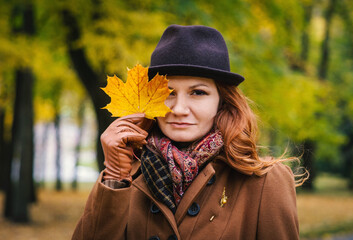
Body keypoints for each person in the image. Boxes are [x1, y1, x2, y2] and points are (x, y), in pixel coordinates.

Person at [72, 24, 301, 240]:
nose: (179, 109)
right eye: (168, 92)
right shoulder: (124, 178)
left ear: (222, 102)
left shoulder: (265, 182)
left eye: (198, 92)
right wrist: (115, 178)